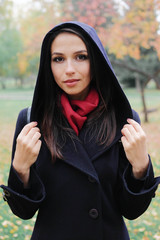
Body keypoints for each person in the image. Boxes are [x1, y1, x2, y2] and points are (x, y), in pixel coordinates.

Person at [1, 21, 160, 240]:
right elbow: (23, 212)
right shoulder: (30, 120)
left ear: (96, 61)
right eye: (58, 59)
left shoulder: (125, 119)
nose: (69, 70)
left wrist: (141, 167)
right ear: (48, 65)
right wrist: (20, 169)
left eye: (81, 57)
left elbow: (131, 211)